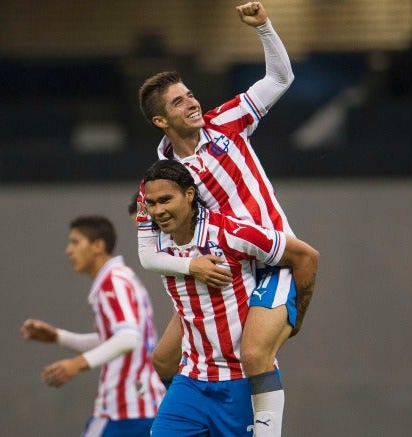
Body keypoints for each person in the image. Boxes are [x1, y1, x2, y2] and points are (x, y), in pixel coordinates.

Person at [137, 3, 311, 433]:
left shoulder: (228, 122)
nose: (193, 103)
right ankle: (193, 416)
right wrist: (191, 264)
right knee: (162, 360)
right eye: (179, 102)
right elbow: (146, 252)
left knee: (253, 355)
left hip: (271, 260)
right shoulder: (162, 182)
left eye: (190, 94)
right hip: (223, 270)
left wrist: (264, 28)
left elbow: (280, 79)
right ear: (161, 120)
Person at [140, 159, 318, 436]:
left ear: (189, 194)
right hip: (192, 379)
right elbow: (145, 254)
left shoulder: (230, 233)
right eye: (152, 204)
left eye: (166, 200)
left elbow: (306, 256)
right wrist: (191, 266)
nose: (158, 211)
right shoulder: (155, 241)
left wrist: (296, 318)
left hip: (239, 382)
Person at [21, 216, 165, 436]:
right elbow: (116, 340)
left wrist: (76, 364)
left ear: (98, 246)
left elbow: (128, 338)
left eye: (75, 242)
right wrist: (59, 337)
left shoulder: (112, 281)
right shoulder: (122, 277)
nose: (68, 251)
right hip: (143, 405)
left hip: (123, 411)